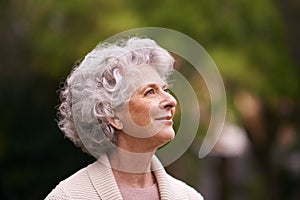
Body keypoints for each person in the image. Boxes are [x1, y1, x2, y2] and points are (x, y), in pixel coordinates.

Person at [45, 37, 204, 200]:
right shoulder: (69, 196)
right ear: (112, 115)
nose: (171, 101)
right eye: (150, 92)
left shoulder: (189, 197)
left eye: (166, 90)